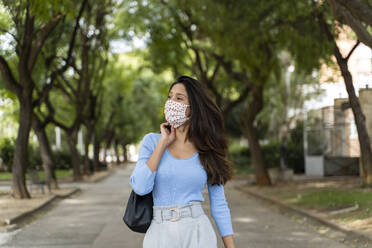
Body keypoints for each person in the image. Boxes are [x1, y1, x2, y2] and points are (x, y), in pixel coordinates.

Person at [129, 75, 236, 248]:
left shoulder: (207, 149)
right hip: (159, 233)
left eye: (179, 98)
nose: (171, 102)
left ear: (192, 108)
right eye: (170, 97)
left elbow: (219, 204)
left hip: (198, 232)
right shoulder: (152, 142)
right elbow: (141, 187)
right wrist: (163, 143)